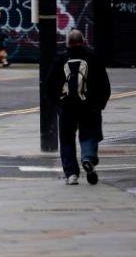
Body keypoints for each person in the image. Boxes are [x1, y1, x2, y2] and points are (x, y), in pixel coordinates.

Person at [49, 29, 110, 185]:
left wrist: (58, 105)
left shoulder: (60, 60)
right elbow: (104, 85)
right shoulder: (93, 59)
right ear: (83, 41)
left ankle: (71, 174)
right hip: (90, 107)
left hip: (67, 108)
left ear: (67, 43)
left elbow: (49, 86)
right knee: (89, 134)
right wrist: (100, 105)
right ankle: (88, 158)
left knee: (67, 139)